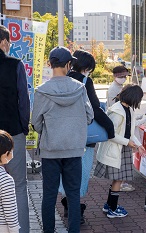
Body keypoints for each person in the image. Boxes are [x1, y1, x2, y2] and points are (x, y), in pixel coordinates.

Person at [31, 46, 94, 233]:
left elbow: (35, 122)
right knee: (73, 195)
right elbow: (89, 116)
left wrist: (49, 131)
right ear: (68, 64)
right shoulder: (80, 88)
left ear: (50, 64)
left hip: (51, 150)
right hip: (74, 150)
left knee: (49, 196)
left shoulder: (42, 90)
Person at [58, 50, 115, 224]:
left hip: (61, 136)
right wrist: (109, 128)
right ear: (85, 66)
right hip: (83, 137)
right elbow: (95, 108)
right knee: (80, 173)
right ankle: (76, 211)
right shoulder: (85, 81)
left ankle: (68, 204)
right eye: (89, 67)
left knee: (65, 172)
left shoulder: (60, 79)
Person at [94, 84, 146, 218]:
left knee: (118, 180)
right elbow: (111, 134)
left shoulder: (128, 109)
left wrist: (138, 145)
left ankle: (109, 205)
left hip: (121, 149)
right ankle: (112, 209)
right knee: (118, 180)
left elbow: (129, 132)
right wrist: (127, 142)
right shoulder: (117, 112)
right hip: (115, 150)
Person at [0, 25, 30, 233]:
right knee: (18, 184)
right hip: (12, 131)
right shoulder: (15, 65)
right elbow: (23, 101)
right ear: (3, 42)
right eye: (8, 42)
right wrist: (24, 126)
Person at [106, 65, 136, 192]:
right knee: (119, 160)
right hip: (118, 129)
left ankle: (119, 183)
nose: (123, 79)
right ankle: (119, 184)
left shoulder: (119, 88)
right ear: (115, 76)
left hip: (121, 129)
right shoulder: (114, 90)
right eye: (121, 76)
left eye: (125, 76)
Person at [0, 130, 20, 233]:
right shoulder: (5, 180)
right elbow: (10, 211)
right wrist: (15, 230)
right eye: (11, 151)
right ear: (4, 154)